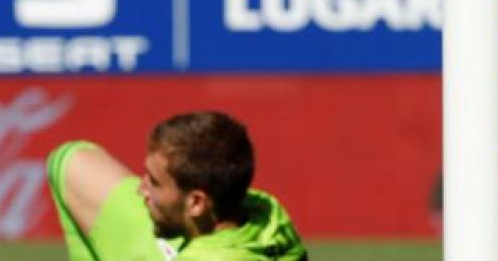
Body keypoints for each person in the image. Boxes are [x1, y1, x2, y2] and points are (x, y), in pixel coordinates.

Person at [47, 111, 308, 261]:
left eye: (154, 183)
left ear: (196, 202)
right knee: (72, 162)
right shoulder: (267, 211)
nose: (141, 189)